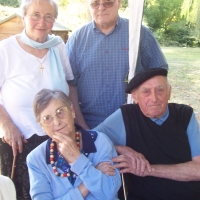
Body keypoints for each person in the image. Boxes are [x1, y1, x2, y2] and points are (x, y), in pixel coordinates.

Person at [0, 0, 73, 199]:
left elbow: (70, 85)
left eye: (49, 16)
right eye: (35, 15)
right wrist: (7, 125)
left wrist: (75, 123)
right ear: (24, 16)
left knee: (57, 191)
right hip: (19, 139)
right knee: (20, 193)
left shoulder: (58, 47)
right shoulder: (5, 49)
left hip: (56, 137)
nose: (42, 21)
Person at [95, 68, 200, 199]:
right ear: (135, 96)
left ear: (169, 92)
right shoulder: (126, 116)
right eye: (146, 92)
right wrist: (121, 149)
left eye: (160, 90)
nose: (154, 98)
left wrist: (149, 169)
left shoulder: (185, 115)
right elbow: (89, 139)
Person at [66, 0, 168, 129]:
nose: (101, 7)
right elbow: (71, 85)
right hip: (90, 123)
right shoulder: (76, 40)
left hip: (134, 120)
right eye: (95, 3)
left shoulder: (139, 34)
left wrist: (142, 101)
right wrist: (82, 127)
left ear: (119, 3)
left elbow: (159, 73)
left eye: (107, 2)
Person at [26, 89, 121, 199]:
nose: (57, 122)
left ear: (72, 110)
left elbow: (108, 192)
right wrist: (87, 183)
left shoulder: (100, 142)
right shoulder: (36, 159)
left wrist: (77, 158)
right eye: (47, 118)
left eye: (60, 112)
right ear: (41, 126)